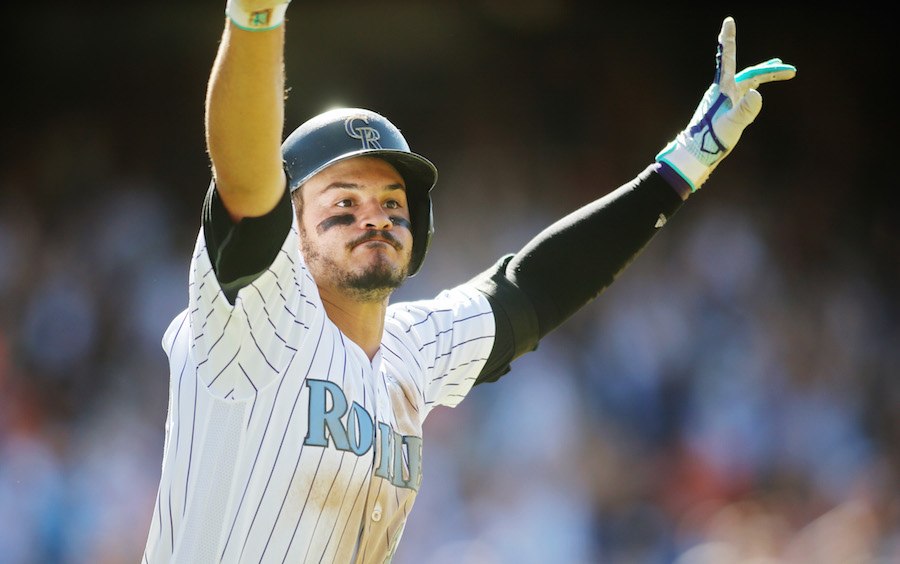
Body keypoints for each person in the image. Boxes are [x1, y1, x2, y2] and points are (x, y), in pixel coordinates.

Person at [143, 2, 796, 562]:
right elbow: (246, 177)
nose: (373, 216)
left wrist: (688, 158)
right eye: (343, 203)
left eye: (392, 202)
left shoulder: (412, 350)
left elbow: (534, 289)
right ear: (291, 230)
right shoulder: (252, 318)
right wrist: (256, 20)